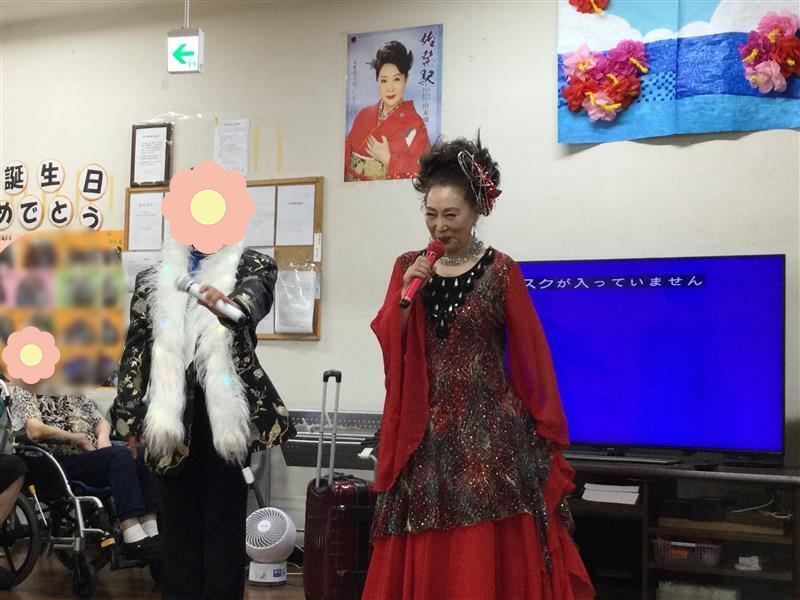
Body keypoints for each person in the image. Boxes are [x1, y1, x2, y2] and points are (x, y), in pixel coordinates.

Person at [363, 136, 595, 599]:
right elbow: (391, 337)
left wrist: (543, 429)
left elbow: (532, 357)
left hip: (490, 435)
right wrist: (405, 295)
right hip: (424, 434)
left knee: (482, 550)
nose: (439, 225)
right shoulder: (409, 266)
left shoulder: (501, 270)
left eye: (451, 215)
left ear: (476, 211)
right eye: (431, 214)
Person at [112, 239, 295, 600]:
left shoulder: (252, 264)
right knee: (177, 532)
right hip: (170, 418)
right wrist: (128, 417)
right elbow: (136, 349)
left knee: (223, 529)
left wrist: (227, 306)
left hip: (224, 416)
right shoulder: (153, 277)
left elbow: (252, 302)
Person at [7, 385, 162, 562]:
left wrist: (103, 440)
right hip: (58, 460)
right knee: (120, 456)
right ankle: (132, 533)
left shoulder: (71, 390)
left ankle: (150, 529)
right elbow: (34, 430)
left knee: (142, 455)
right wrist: (76, 438)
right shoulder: (26, 390)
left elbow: (101, 422)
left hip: (88, 456)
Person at [344, 40, 431, 181]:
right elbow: (344, 158)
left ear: (406, 79)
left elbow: (423, 172)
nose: (390, 88)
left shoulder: (416, 125)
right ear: (377, 81)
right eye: (384, 80)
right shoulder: (363, 115)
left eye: (396, 79)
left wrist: (388, 159)